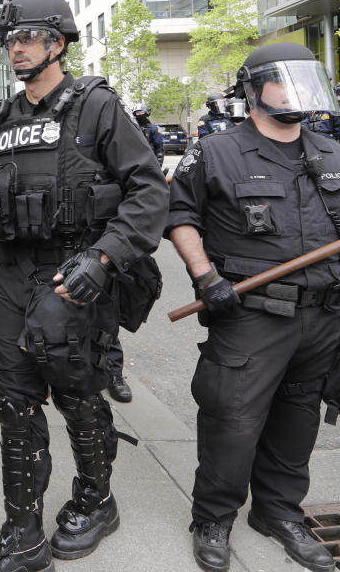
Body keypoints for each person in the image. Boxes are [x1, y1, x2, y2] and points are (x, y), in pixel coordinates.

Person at [0, 0, 168, 572]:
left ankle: (96, 500)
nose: (16, 48)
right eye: (10, 39)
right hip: (15, 280)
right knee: (13, 400)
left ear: (57, 41)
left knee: (78, 395)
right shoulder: (5, 117)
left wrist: (103, 259)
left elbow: (150, 191)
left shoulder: (96, 107)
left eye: (26, 38)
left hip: (74, 275)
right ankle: (23, 534)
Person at [166, 43, 340, 572]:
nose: (298, 92)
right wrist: (205, 276)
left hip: (323, 318)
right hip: (252, 314)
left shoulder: (332, 152)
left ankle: (278, 512)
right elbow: (180, 216)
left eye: (305, 80)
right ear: (253, 89)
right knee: (232, 420)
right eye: (285, 81)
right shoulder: (217, 150)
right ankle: (213, 517)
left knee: (298, 419)